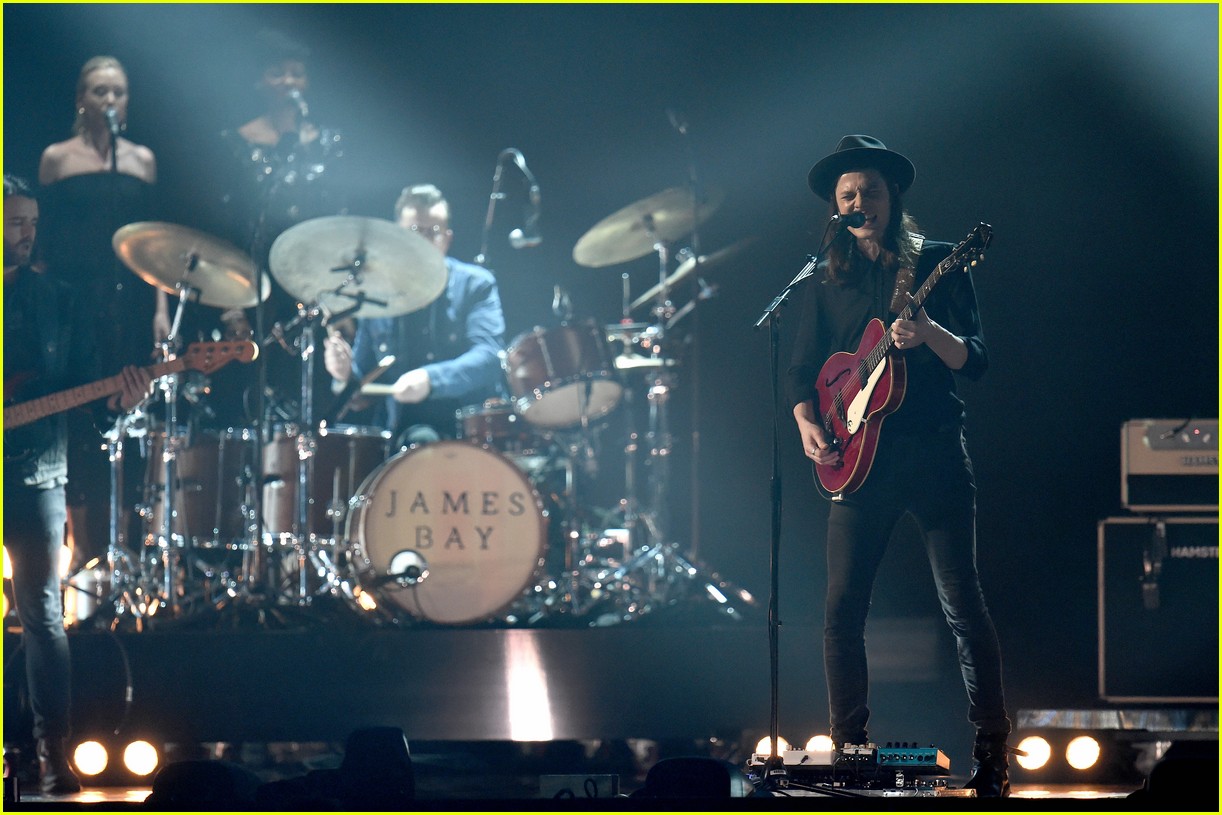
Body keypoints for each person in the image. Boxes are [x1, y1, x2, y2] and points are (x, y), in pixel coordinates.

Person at [786, 135, 1011, 796]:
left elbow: (977, 359)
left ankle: (992, 751)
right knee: (841, 612)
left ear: (892, 198)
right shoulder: (825, 277)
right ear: (836, 207)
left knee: (962, 604)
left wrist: (930, 334)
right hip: (859, 464)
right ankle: (850, 748)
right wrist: (808, 422)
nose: (861, 201)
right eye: (848, 194)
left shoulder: (937, 260)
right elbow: (803, 370)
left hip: (934, 455)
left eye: (871, 190)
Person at [4, 174, 152, 794]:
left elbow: (92, 390)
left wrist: (120, 402)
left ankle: (49, 755)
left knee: (42, 613)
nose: (27, 233)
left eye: (33, 222)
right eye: (16, 221)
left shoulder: (59, 302)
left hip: (38, 470)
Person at [36, 55, 162, 573]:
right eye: (100, 91)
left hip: (127, 306)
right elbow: (41, 245)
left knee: (128, 410)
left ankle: (125, 550)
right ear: (81, 100)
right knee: (78, 420)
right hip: (71, 304)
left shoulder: (141, 161)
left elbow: (155, 248)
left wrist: (159, 308)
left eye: (118, 92)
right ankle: (82, 550)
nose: (110, 100)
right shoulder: (57, 159)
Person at [323, 183, 507, 446]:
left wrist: (431, 379)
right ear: (397, 238)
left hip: (471, 434)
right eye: (414, 231)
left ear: (447, 239)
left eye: (433, 232)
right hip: (399, 434)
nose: (423, 241)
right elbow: (363, 382)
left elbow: (489, 357)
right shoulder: (378, 294)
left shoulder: (476, 284)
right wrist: (343, 375)